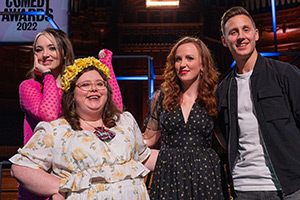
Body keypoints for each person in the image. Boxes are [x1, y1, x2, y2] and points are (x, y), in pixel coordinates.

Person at [10, 56, 158, 200]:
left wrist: (178, 157)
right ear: (72, 94)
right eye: (85, 85)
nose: (94, 88)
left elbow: (144, 157)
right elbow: (21, 168)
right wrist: (59, 187)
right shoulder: (56, 130)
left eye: (100, 84)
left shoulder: (124, 121)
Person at [217, 6, 300, 199]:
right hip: (244, 186)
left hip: (289, 187)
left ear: (256, 34)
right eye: (233, 32)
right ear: (224, 41)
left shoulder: (285, 74)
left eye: (246, 29)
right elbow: (224, 134)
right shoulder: (224, 89)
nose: (241, 36)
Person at [143, 36, 224, 199]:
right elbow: (148, 139)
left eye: (190, 58)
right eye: (178, 59)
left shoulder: (215, 98)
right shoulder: (161, 98)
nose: (183, 64)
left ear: (202, 64)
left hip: (205, 175)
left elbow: (226, 140)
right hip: (168, 174)